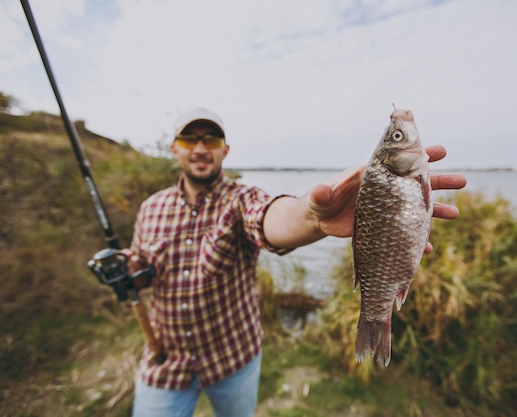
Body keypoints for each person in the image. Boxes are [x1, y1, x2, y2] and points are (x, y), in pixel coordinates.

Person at [127, 107, 467, 417]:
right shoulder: (150, 208)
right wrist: (127, 271)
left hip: (233, 360)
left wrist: (310, 216)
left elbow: (274, 219)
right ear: (175, 148)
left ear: (224, 150)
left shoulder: (241, 199)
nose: (200, 148)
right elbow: (142, 273)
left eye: (210, 139)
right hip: (165, 363)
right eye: (190, 139)